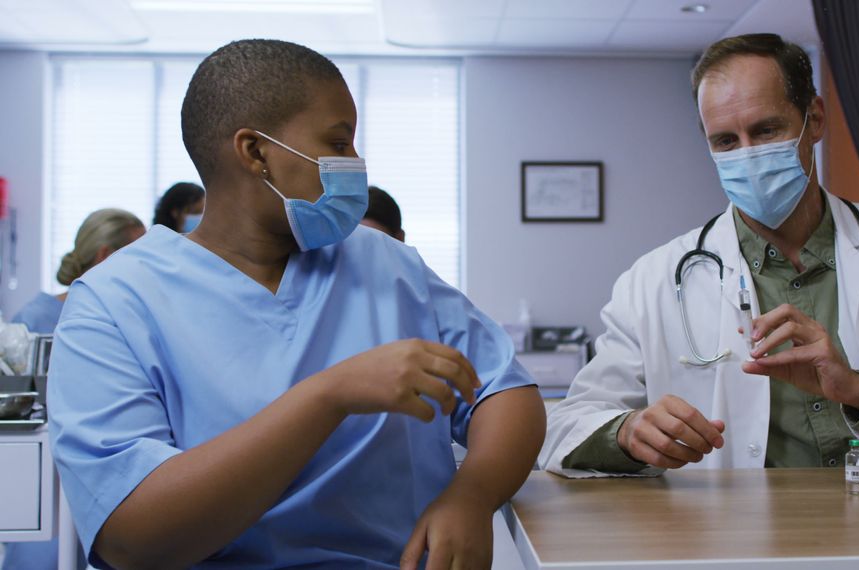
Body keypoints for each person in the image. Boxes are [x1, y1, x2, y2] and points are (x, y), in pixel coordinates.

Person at [47, 39, 544, 569]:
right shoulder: (113, 302)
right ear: (255, 152)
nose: (355, 165)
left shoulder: (385, 264)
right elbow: (131, 537)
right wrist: (328, 395)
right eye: (338, 143)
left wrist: (471, 497)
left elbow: (504, 391)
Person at [540, 33, 859, 481]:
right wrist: (626, 432)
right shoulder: (654, 280)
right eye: (725, 141)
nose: (746, 155)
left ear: (814, 120)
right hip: (732, 538)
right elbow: (566, 427)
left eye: (766, 130)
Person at [4, 208, 142, 570]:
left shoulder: (120, 318)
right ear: (106, 257)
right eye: (138, 252)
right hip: (48, 478)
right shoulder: (34, 320)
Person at [9, 208, 145, 334]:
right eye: (139, 257)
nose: (145, 268)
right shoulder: (32, 322)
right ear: (105, 255)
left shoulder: (128, 319)